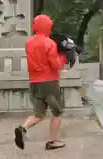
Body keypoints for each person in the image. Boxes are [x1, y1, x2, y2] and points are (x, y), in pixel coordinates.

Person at [14, 14, 69, 151]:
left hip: (34, 83)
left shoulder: (28, 43)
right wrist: (63, 57)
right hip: (49, 83)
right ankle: (52, 141)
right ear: (48, 26)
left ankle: (23, 129)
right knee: (58, 112)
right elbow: (55, 65)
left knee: (38, 114)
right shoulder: (49, 43)